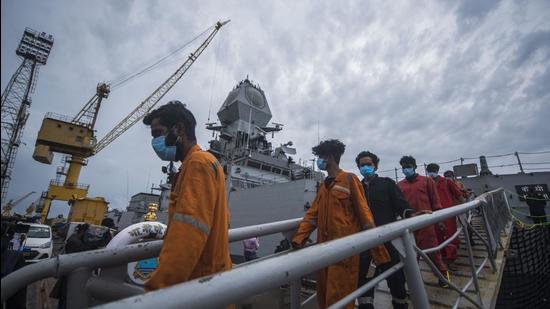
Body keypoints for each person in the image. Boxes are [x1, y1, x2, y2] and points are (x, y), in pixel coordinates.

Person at [142, 101, 232, 291]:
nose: (155, 142)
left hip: (199, 283)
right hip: (212, 279)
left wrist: (157, 291)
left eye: (158, 133)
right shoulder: (206, 161)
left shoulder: (197, 164)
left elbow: (188, 234)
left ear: (179, 129)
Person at [292, 140, 390, 309]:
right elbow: (311, 216)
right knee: (324, 298)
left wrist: (379, 254)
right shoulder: (323, 187)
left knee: (339, 299)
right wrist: (298, 239)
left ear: (329, 157)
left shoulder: (349, 179)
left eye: (321, 157)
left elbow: (365, 216)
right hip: (323, 251)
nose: (319, 161)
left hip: (344, 252)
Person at [355, 151, 413, 309]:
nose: (365, 167)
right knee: (364, 282)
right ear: (358, 168)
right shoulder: (357, 188)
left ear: (376, 166)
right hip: (365, 244)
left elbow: (401, 205)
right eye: (362, 165)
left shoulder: (386, 183)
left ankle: (400, 304)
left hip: (388, 242)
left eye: (368, 164)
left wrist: (410, 214)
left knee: (396, 280)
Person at [398, 156, 450, 287]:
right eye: (403, 167)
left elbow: (436, 201)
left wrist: (440, 221)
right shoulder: (399, 185)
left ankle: (443, 277)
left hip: (427, 224)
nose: (406, 169)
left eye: (408, 166)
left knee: (433, 253)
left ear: (414, 166)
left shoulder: (426, 181)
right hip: (408, 225)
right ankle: (415, 284)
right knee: (411, 257)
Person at [427, 164, 465, 269]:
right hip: (433, 214)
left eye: (433, 170)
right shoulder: (427, 183)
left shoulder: (448, 182)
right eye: (429, 170)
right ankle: (442, 259)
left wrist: (467, 207)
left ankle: (451, 260)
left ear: (437, 170)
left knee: (450, 236)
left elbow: (458, 195)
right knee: (437, 237)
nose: (431, 172)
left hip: (448, 214)